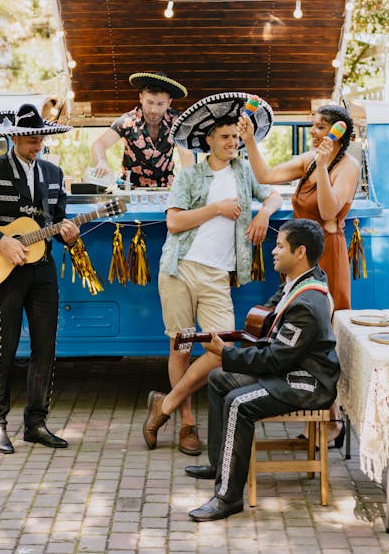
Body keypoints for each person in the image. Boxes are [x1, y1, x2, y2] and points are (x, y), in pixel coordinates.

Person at [142, 92, 282, 456]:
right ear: (209, 140)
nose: (233, 143)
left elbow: (275, 195)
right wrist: (216, 208)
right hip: (180, 269)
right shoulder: (189, 175)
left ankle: (166, 404)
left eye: (236, 137)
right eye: (225, 137)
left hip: (217, 274)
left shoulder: (244, 172)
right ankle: (187, 423)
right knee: (182, 345)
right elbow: (173, 222)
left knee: (224, 349)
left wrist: (264, 213)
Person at [185, 218, 340, 522]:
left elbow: (274, 361)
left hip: (308, 382)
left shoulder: (307, 303)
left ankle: (228, 498)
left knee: (238, 403)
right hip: (291, 368)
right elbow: (271, 331)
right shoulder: (299, 282)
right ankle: (222, 465)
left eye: (280, 245)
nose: (273, 251)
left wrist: (227, 353)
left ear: (300, 252)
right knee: (218, 379)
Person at [0, 103, 80, 455]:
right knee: (3, 348)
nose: (35, 144)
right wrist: (0, 241)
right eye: (28, 138)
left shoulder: (54, 174)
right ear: (13, 137)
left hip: (43, 270)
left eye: (39, 137)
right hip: (4, 271)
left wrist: (70, 235)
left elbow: (60, 219)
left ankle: (36, 423)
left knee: (45, 348)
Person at [238, 102, 359, 444]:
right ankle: (317, 415)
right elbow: (265, 176)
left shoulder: (347, 166)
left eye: (321, 126)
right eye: (314, 125)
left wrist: (322, 166)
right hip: (300, 259)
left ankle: (331, 419)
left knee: (325, 333)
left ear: (338, 132)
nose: (314, 131)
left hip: (327, 256)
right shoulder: (308, 160)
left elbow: (327, 209)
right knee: (297, 332)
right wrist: (249, 141)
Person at [90, 71, 194, 187]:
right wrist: (102, 161)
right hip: (130, 188)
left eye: (160, 104)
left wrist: (188, 184)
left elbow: (186, 154)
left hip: (165, 189)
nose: (154, 109)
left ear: (169, 102)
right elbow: (99, 144)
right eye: (150, 102)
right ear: (141, 98)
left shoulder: (177, 121)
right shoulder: (127, 121)